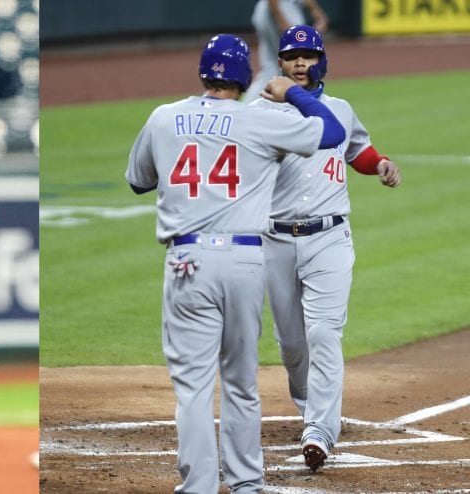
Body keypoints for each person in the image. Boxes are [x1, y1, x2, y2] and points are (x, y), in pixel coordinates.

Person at [125, 33, 345, 494]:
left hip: (188, 261)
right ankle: (247, 483)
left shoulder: (163, 118)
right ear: (246, 78)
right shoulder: (257, 122)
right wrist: (294, 92)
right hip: (247, 259)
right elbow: (332, 132)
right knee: (242, 383)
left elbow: (138, 181)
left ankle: (200, 487)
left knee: (193, 388)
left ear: (203, 72)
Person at [252, 24, 401, 472]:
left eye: (308, 56)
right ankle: (309, 406)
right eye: (292, 56)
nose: (300, 63)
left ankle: (319, 430)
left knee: (323, 334)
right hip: (275, 239)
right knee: (292, 344)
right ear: (279, 64)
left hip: (330, 237)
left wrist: (381, 164)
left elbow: (358, 150)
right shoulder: (260, 116)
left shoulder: (339, 109)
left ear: (322, 62)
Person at [243, 0, 328, 103]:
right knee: (293, 64)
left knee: (273, 66)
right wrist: (280, 18)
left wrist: (316, 11)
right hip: (279, 8)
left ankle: (248, 106)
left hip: (277, 9)